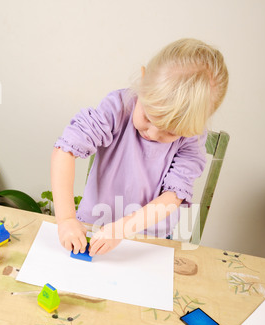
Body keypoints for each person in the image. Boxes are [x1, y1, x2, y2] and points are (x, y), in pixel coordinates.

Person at [51, 38, 228, 256]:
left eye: (171, 132)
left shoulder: (192, 138)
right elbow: (65, 151)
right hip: (93, 225)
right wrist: (66, 219)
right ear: (143, 82)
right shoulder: (118, 108)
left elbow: (173, 195)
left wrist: (123, 228)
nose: (153, 133)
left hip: (150, 239)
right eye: (149, 116)